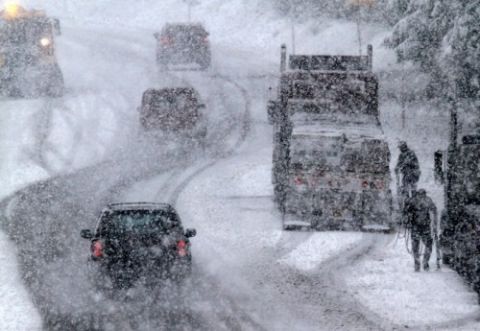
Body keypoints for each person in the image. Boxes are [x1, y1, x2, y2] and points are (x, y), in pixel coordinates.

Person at [404, 189, 438, 272]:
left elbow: (407, 212)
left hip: (418, 227)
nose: (421, 196)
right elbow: (434, 210)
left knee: (417, 246)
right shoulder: (427, 200)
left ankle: (418, 263)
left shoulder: (414, 200)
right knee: (427, 245)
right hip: (423, 227)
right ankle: (423, 263)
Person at [395, 141, 421, 210]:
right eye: (400, 148)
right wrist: (397, 168)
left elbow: (412, 163)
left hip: (413, 174)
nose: (400, 149)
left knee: (412, 187)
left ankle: (414, 200)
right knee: (405, 187)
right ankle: (406, 200)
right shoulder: (401, 155)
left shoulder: (411, 153)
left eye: (401, 147)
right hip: (406, 174)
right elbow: (399, 163)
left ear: (404, 147)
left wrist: (405, 164)